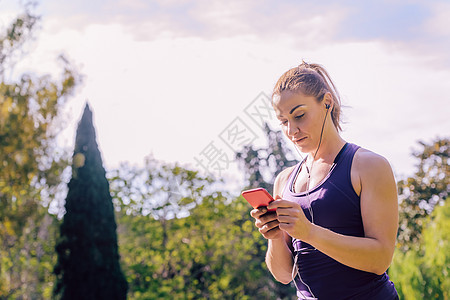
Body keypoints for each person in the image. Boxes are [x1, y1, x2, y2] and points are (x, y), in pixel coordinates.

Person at [250, 62, 399, 299]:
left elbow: (380, 259)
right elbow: (284, 275)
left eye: (299, 115)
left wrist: (308, 232)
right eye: (283, 121)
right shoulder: (284, 180)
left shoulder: (369, 166)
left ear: (327, 103)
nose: (291, 130)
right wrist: (276, 237)